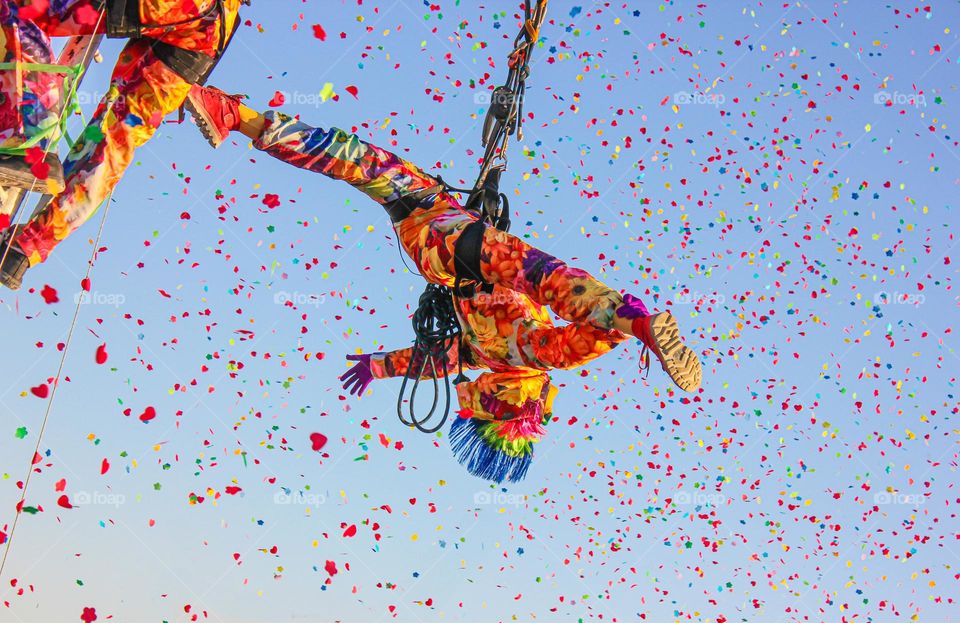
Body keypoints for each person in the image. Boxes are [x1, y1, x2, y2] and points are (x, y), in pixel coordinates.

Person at [183, 85, 703, 482]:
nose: (471, 400)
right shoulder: (525, 358)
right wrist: (628, 327)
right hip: (443, 228)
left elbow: (436, 360)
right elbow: (553, 338)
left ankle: (636, 316)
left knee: (534, 273)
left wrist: (379, 365)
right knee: (356, 162)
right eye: (481, 408)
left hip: (453, 247)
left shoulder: (494, 358)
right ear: (500, 407)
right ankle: (237, 116)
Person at [0, 0, 246, 290]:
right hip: (205, 32)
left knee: (25, 9)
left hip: (190, 14)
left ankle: (29, 131)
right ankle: (27, 248)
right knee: (116, 144)